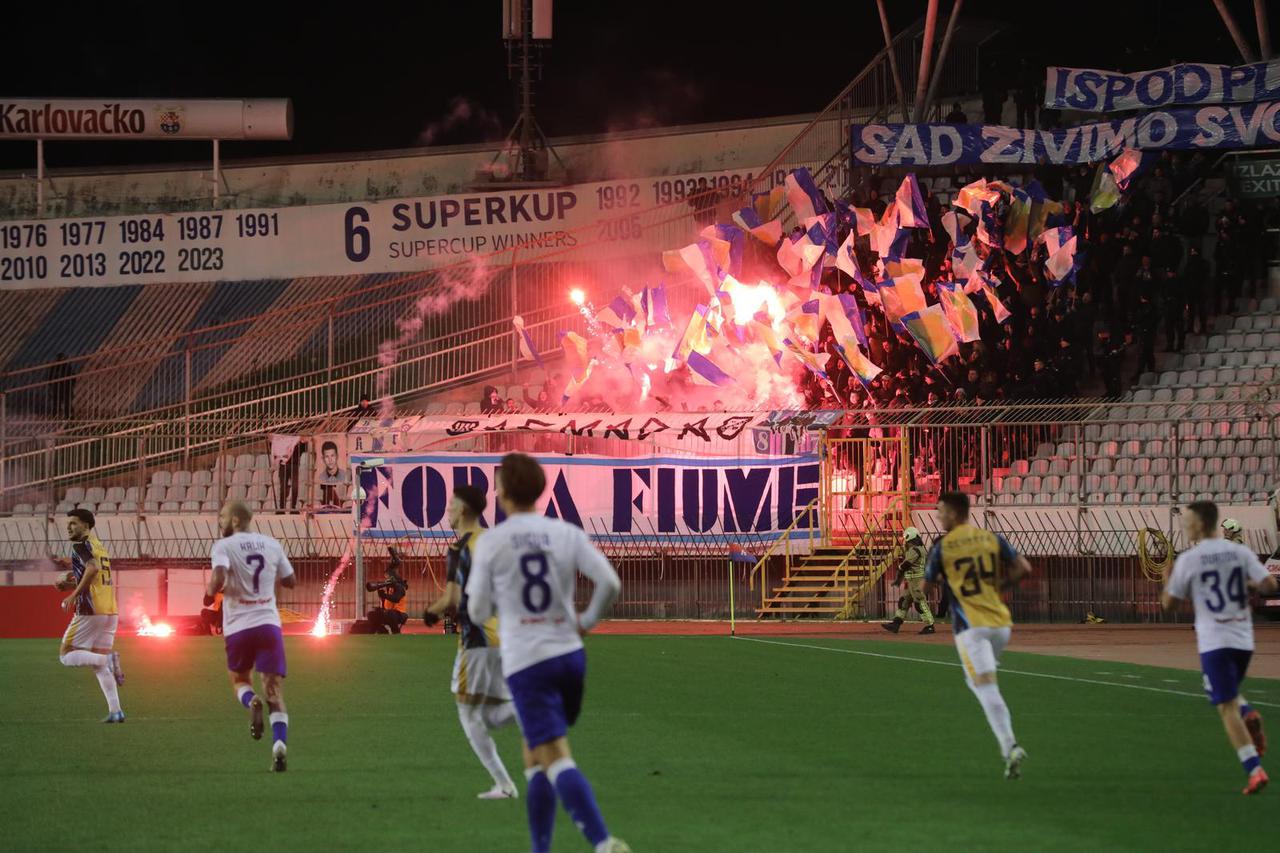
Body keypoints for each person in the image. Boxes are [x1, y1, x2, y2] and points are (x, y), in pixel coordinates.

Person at [466, 453, 628, 853]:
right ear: (539, 489)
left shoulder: (492, 542)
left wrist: (499, 610)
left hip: (527, 662)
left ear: (501, 493)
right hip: (570, 656)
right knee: (534, 750)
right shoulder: (564, 533)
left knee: (554, 755)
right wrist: (586, 622)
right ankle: (540, 848)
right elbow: (609, 582)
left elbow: (476, 610)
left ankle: (602, 841)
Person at [1161, 501, 1277, 795]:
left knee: (1225, 706)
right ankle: (1247, 710)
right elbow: (1269, 585)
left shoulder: (1190, 559)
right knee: (1227, 693)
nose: (1185, 526)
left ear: (1201, 523)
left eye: (1187, 521)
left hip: (1214, 640)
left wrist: (1166, 581)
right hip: (1243, 640)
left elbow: (1170, 604)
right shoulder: (1239, 552)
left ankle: (1254, 769)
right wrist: (1248, 585)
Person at [924, 492, 1033, 779]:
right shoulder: (990, 538)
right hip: (1001, 623)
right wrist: (1001, 584)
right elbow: (1024, 568)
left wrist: (942, 581)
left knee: (984, 686)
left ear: (954, 513)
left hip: (970, 627)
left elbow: (925, 587)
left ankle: (1010, 747)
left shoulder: (942, 547)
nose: (938, 516)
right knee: (980, 679)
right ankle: (1008, 746)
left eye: (940, 511)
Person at [424, 485, 520, 799]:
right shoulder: (496, 542)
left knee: (469, 714)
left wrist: (430, 612)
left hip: (476, 639)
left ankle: (505, 785)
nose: (448, 510)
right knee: (487, 708)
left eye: (452, 504)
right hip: (503, 635)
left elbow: (451, 598)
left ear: (464, 509)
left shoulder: (459, 548)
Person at [205, 500, 296, 772]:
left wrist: (210, 593)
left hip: (239, 627)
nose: (219, 522)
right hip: (268, 624)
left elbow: (219, 576)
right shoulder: (272, 544)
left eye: (222, 517)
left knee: (240, 680)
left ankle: (250, 701)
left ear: (235, 520)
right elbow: (291, 581)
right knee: (275, 690)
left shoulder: (223, 546)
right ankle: (279, 746)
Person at [54, 508, 125, 722]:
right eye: (68, 524)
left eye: (74, 523)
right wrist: (71, 582)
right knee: (98, 665)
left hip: (91, 610)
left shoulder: (80, 545)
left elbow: (92, 569)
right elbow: (94, 574)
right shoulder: (99, 546)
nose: (69, 527)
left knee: (66, 655)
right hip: (110, 610)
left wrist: (73, 595)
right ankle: (116, 711)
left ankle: (110, 658)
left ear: (86, 526)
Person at [881, 527, 936, 635]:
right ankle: (896, 623)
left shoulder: (914, 550)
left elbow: (906, 565)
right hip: (913, 580)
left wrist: (899, 573)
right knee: (904, 601)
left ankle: (930, 625)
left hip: (917, 580)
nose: (904, 540)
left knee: (919, 603)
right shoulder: (918, 548)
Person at [364, 550, 408, 634]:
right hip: (388, 613)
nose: (386, 579)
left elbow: (396, 599)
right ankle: (381, 632)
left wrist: (385, 596)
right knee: (371, 614)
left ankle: (396, 632)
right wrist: (381, 596)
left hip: (400, 614)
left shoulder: (400, 587)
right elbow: (385, 604)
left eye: (388, 577)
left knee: (390, 613)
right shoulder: (387, 588)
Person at [317, 440, 350, 507]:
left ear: (337, 456)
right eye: (327, 457)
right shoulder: (320, 476)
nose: (330, 460)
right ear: (323, 458)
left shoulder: (344, 474)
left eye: (332, 456)